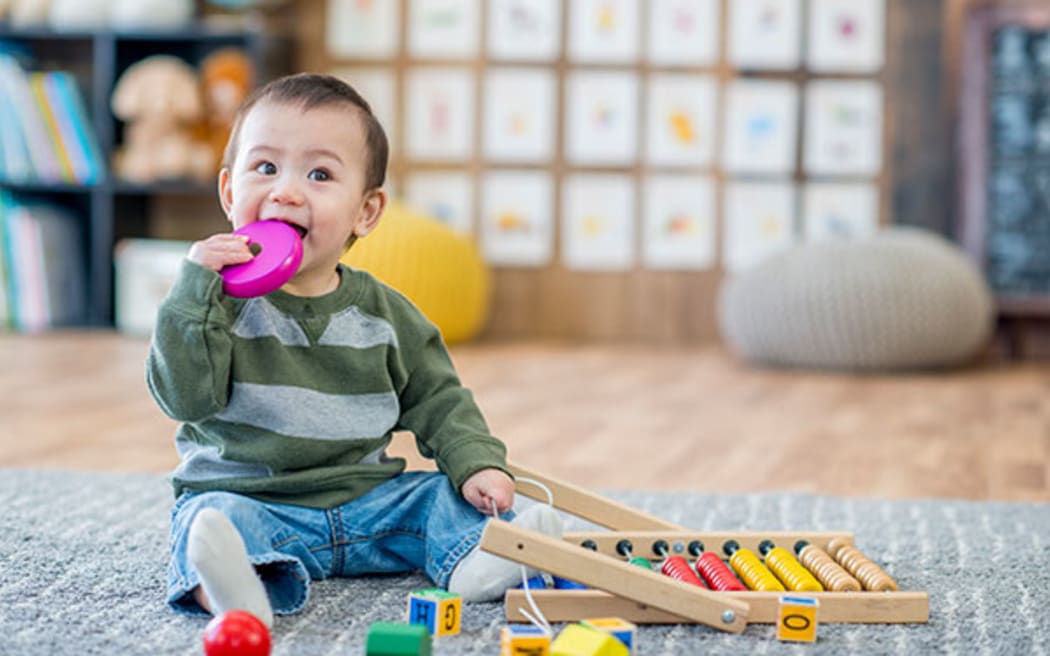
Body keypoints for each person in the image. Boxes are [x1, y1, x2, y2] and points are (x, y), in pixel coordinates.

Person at [146, 73, 561, 627]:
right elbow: (184, 399)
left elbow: (439, 399)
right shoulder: (211, 305)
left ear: (365, 212)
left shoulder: (388, 316)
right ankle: (236, 592)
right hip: (256, 500)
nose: (286, 191)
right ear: (228, 192)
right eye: (265, 168)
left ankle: (482, 557)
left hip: (370, 504)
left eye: (319, 174)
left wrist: (476, 464)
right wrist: (193, 292)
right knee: (209, 518)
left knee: (440, 499)